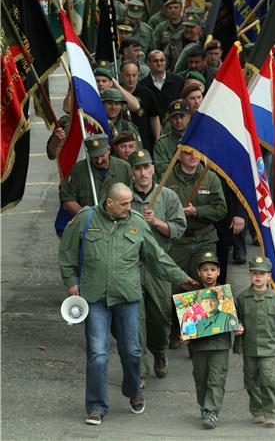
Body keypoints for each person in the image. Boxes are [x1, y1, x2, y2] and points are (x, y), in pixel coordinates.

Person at [58, 182, 198, 425]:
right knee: (98, 354)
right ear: (109, 202)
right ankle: (95, 406)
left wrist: (181, 278)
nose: (129, 207)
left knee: (132, 351)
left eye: (130, 202)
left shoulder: (136, 222)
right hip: (95, 298)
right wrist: (71, 282)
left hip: (127, 298)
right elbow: (67, 252)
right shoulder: (85, 218)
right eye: (124, 203)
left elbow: (157, 257)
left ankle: (133, 390)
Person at [129, 150, 187, 386]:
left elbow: (178, 229)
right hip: (131, 266)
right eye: (138, 168)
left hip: (158, 267)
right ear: (132, 172)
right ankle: (139, 368)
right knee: (134, 320)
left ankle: (160, 351)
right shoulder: (124, 196)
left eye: (146, 167)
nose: (143, 173)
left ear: (154, 168)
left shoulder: (168, 197)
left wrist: (157, 222)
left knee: (160, 317)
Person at [166, 149, 227, 347]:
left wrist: (197, 211)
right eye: (187, 153)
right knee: (179, 286)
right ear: (179, 156)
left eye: (196, 153)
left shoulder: (209, 177)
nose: (193, 156)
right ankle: (177, 329)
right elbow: (160, 205)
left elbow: (220, 209)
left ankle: (201, 336)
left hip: (204, 238)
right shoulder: (168, 178)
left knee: (205, 283)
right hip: (179, 240)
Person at [234, 256, 275, 428]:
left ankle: (270, 412)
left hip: (268, 348)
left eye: (262, 274)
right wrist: (237, 333)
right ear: (250, 275)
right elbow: (235, 320)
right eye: (254, 273)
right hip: (250, 347)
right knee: (250, 380)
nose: (258, 277)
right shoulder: (243, 298)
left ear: (269, 276)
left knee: (267, 380)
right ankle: (257, 410)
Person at [189, 252, 241, 430]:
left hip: (220, 345)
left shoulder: (225, 295)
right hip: (199, 346)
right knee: (201, 379)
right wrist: (182, 334)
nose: (209, 273)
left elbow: (232, 317)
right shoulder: (192, 296)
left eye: (212, 269)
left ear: (219, 272)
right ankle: (205, 407)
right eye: (205, 270)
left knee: (216, 379)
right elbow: (187, 322)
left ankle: (212, 411)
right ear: (199, 273)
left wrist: (237, 325)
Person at [59, 134, 131, 215]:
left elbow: (133, 197)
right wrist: (87, 217)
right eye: (95, 157)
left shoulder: (124, 168)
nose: (99, 161)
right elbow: (67, 200)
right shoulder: (78, 170)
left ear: (108, 150)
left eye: (102, 156)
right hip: (89, 223)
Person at [120, 61, 161, 153]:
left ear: (138, 75)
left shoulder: (146, 93)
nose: (131, 79)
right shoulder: (116, 92)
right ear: (121, 74)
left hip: (143, 141)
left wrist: (158, 139)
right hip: (121, 143)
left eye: (134, 75)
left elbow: (154, 117)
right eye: (128, 75)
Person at [140, 50, 185, 122]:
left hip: (175, 124)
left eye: (162, 60)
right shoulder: (142, 85)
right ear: (148, 63)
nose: (159, 63)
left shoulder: (178, 81)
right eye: (155, 61)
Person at [153, 100, 191, 179]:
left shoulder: (196, 139)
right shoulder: (162, 143)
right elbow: (161, 170)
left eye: (181, 116)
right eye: (174, 117)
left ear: (189, 117)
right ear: (170, 119)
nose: (178, 121)